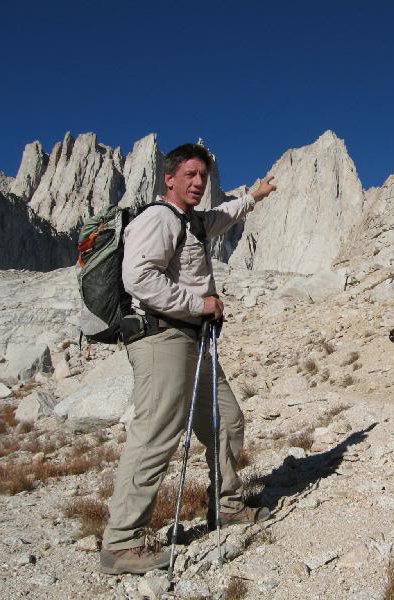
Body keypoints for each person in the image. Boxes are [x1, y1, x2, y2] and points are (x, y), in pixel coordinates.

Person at [100, 143, 276, 575]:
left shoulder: (193, 221)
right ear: (170, 178)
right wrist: (202, 304)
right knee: (157, 434)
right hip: (162, 338)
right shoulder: (158, 218)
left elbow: (226, 215)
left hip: (193, 341)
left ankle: (228, 506)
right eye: (190, 175)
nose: (198, 182)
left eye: (204, 176)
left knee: (226, 419)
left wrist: (256, 195)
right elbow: (139, 278)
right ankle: (121, 544)